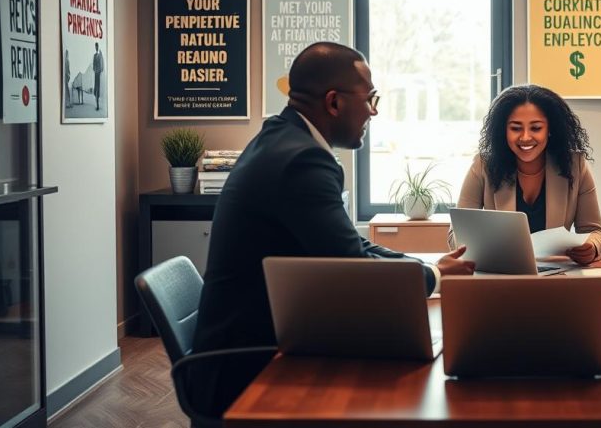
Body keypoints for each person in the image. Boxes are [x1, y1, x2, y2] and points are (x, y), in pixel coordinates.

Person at [191, 42, 475, 415]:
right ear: (334, 103)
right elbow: (352, 268)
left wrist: (416, 265)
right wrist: (434, 276)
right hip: (249, 369)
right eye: (371, 98)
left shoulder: (281, 138)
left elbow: (349, 244)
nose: (373, 111)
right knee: (406, 384)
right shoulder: (302, 160)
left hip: (263, 341)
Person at [449, 84, 601, 264]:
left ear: (550, 130)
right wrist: (473, 245)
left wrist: (591, 247)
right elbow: (456, 235)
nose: (525, 137)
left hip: (556, 273)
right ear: (503, 130)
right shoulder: (483, 165)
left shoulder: (575, 165)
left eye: (536, 128)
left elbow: (595, 231)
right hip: (500, 272)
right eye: (515, 128)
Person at [92, 42, 104, 111]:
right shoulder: (94, 55)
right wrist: (95, 69)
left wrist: (99, 70)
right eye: (95, 46)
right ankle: (97, 104)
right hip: (96, 74)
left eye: (97, 46)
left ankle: (98, 105)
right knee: (96, 89)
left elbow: (102, 65)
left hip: (99, 74)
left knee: (98, 89)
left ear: (98, 47)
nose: (96, 47)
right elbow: (93, 65)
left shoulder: (100, 55)